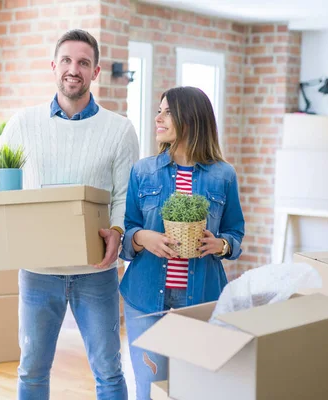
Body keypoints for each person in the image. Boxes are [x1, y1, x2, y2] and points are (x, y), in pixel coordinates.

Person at [0, 29, 139, 400]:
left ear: (95, 71)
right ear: (53, 66)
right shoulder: (22, 125)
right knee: (31, 371)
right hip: (37, 273)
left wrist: (117, 230)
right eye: (66, 60)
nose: (73, 69)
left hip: (96, 273)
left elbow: (125, 196)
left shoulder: (119, 129)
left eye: (83, 62)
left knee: (109, 371)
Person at [119, 86, 245, 400]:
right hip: (145, 298)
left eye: (167, 112)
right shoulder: (143, 171)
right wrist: (141, 237)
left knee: (194, 390)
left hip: (202, 299)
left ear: (190, 119)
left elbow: (235, 234)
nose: (158, 118)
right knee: (150, 390)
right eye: (158, 111)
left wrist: (222, 245)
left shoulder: (223, 175)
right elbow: (128, 231)